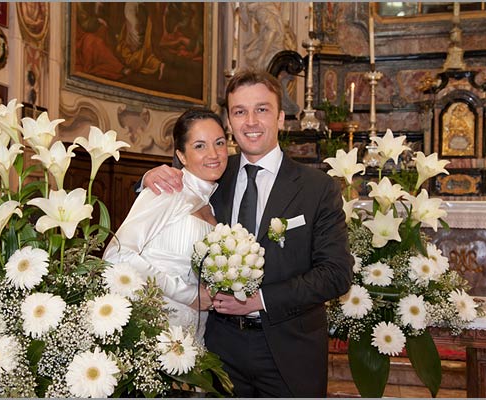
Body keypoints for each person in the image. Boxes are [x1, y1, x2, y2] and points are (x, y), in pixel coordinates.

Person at [141, 69, 353, 397]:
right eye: (240, 111)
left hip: (289, 349)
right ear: (229, 120)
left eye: (262, 109)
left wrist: (261, 300)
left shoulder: (317, 188)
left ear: (281, 118)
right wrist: (148, 178)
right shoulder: (213, 175)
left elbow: (336, 274)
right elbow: (161, 203)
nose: (251, 121)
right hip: (219, 348)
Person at [103, 108, 228, 343]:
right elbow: (117, 254)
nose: (214, 153)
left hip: (194, 336)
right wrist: (188, 294)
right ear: (181, 155)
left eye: (219, 143)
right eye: (200, 146)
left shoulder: (212, 205)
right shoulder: (167, 190)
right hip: (156, 327)